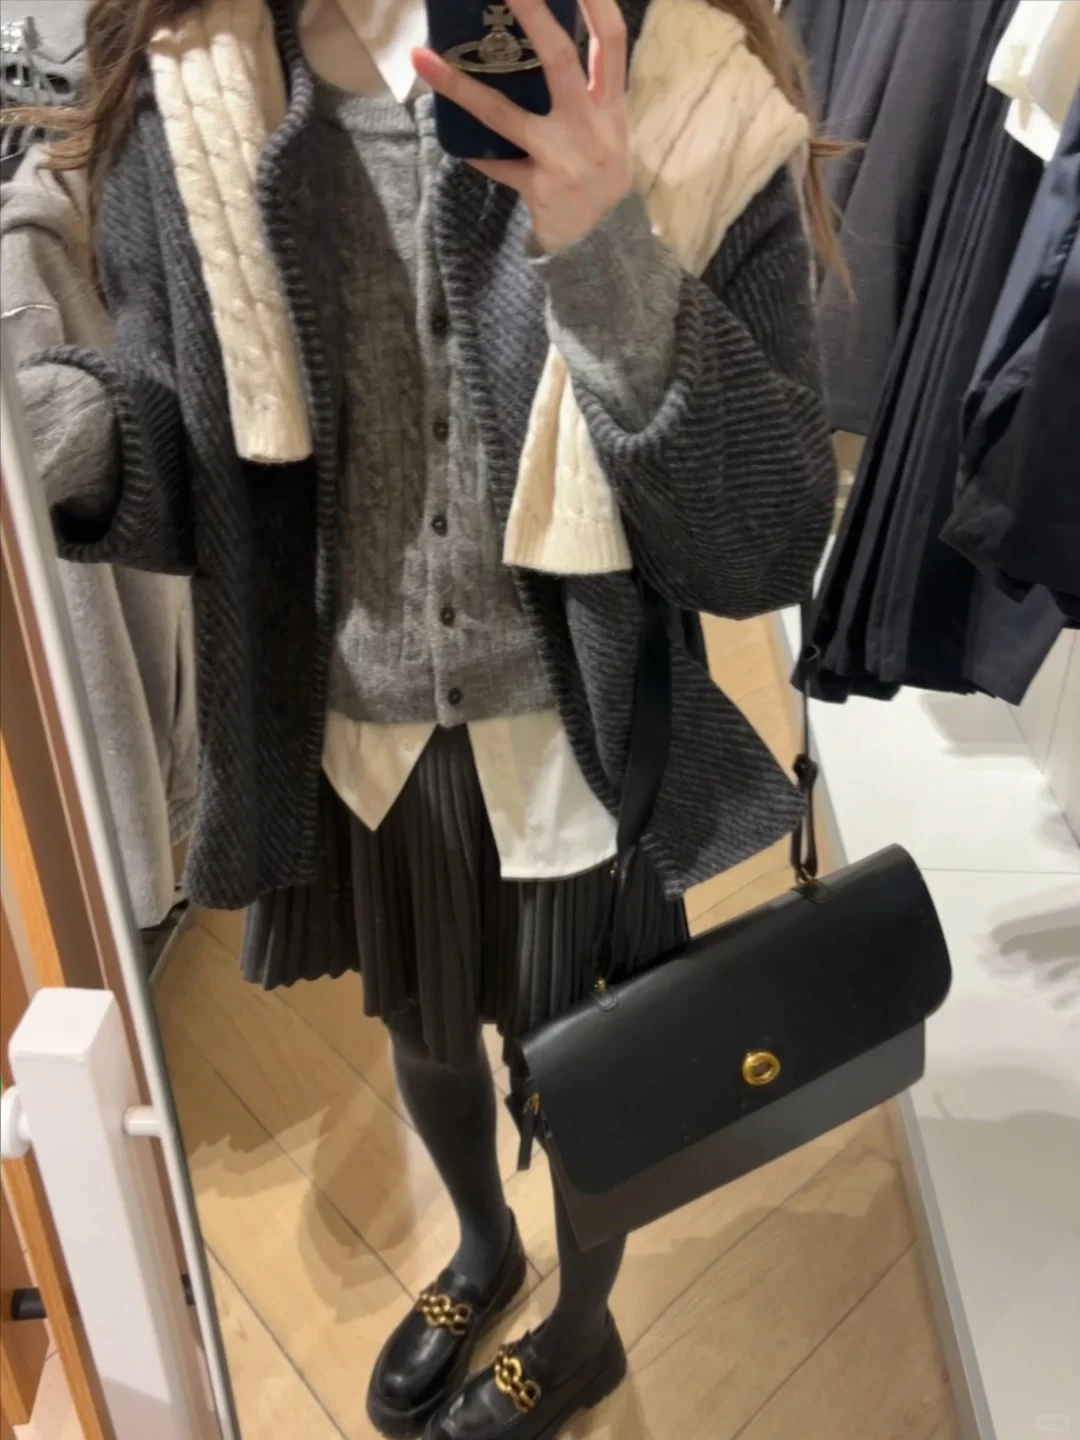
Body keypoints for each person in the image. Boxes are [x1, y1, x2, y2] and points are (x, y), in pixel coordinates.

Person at [13, 0, 837, 1434]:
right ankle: (480, 1247)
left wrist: (611, 250)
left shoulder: (689, 87)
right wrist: (72, 434)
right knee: (425, 1029)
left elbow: (764, 542)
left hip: (584, 742)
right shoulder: (200, 74)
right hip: (361, 736)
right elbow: (188, 433)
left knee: (597, 1073)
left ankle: (581, 1329)